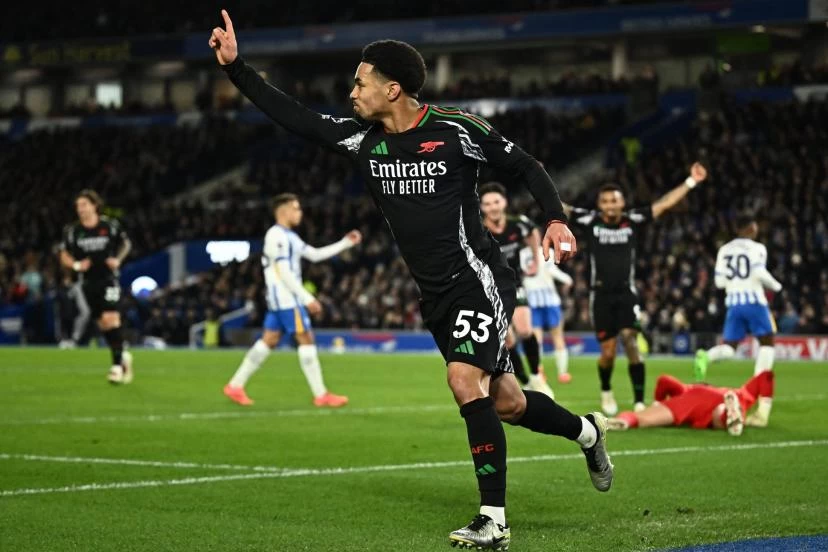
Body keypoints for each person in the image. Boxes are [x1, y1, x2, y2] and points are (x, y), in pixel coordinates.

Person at [210, 11, 613, 549]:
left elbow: (526, 165)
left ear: (392, 89)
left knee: (463, 380)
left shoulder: (456, 129)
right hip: (435, 294)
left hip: (478, 278)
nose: (352, 92)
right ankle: (588, 431)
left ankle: (493, 519)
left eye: (360, 83)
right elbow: (296, 117)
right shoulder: (361, 138)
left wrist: (555, 218)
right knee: (509, 404)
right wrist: (236, 68)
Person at [564, 163, 708, 416]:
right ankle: (606, 390)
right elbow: (560, 207)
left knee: (631, 341)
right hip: (601, 296)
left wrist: (691, 182)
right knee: (608, 353)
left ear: (622, 203)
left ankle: (640, 401)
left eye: (614, 200)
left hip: (626, 294)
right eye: (605, 201)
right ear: (599, 204)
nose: (610, 205)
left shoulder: (631, 221)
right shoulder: (590, 221)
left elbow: (664, 203)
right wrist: (533, 179)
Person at [224, 193, 361, 407]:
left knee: (270, 339)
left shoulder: (290, 236)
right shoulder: (276, 236)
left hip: (279, 299)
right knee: (306, 338)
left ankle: (235, 386)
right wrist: (306, 298)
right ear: (284, 211)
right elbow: (284, 271)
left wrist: (345, 243)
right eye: (296, 208)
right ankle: (321, 394)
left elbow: (314, 255)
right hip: (287, 298)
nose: (300, 212)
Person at [693, 210, 782, 427]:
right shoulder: (757, 248)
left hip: (733, 304)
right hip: (754, 302)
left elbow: (720, 283)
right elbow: (759, 273)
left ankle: (707, 356)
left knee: (730, 347)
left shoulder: (724, 249)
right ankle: (761, 401)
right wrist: (777, 286)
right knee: (767, 344)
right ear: (751, 228)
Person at [479, 182, 552, 397]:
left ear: (504, 202)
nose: (493, 207)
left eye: (496, 202)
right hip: (488, 290)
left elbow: (533, 232)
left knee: (526, 330)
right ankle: (526, 381)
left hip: (514, 284)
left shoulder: (518, 224)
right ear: (481, 207)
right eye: (487, 203)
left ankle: (537, 376)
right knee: (507, 340)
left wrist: (536, 260)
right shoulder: (478, 231)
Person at [59, 189, 133, 384]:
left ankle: (116, 367)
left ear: (95, 205)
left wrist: (118, 259)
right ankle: (122, 355)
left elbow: (126, 244)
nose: (80, 209)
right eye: (78, 206)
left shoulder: (109, 226)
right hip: (87, 283)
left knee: (111, 318)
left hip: (108, 279)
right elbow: (64, 254)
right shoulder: (73, 231)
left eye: (84, 204)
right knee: (103, 324)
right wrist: (76, 265)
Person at [607, 370, 774, 436]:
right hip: (731, 397)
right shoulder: (737, 393)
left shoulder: (687, 391)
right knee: (718, 414)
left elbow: (664, 380)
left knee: (643, 418)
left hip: (692, 400)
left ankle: (624, 420)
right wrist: (762, 414)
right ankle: (728, 414)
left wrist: (658, 402)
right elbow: (766, 376)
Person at [521, 245, 574, 384]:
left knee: (536, 339)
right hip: (550, 300)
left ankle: (539, 371)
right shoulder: (546, 251)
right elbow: (552, 270)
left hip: (532, 300)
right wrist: (567, 279)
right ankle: (562, 373)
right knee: (557, 336)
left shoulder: (521, 253)